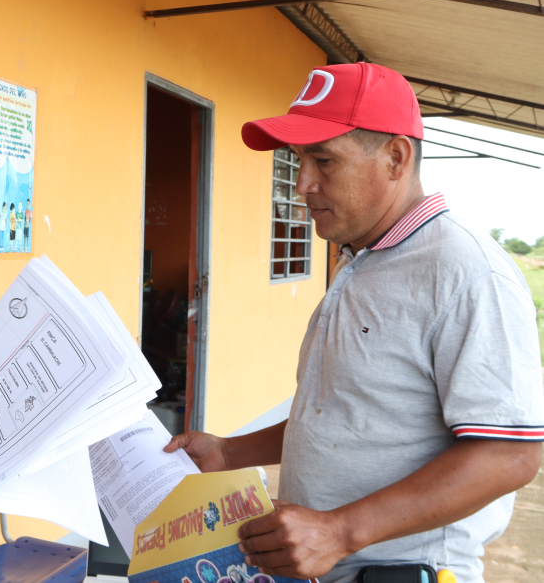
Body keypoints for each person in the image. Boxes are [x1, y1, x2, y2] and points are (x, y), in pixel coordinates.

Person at [166, 62, 544, 583]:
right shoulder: (361, 259)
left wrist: (340, 531)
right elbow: (344, 417)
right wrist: (230, 451)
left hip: (404, 572)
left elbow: (510, 454)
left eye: (323, 159)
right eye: (298, 160)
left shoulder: (466, 272)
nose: (303, 184)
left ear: (395, 157)